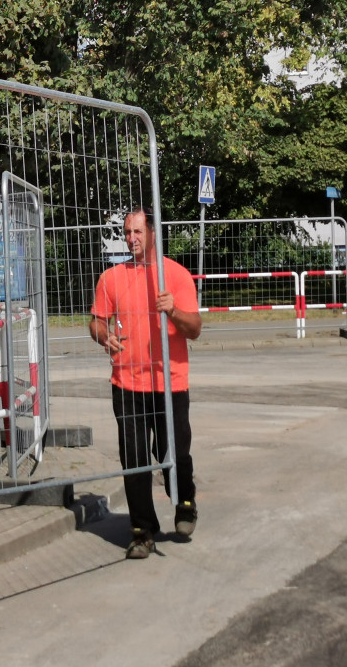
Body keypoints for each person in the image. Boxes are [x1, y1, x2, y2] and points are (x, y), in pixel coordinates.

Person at [89, 208, 202, 560]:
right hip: (126, 382)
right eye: (127, 232)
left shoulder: (177, 276)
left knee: (174, 451)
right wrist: (104, 335)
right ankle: (142, 530)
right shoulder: (111, 278)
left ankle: (184, 503)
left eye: (137, 231)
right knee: (135, 459)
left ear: (152, 233)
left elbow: (194, 329)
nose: (131, 239)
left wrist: (173, 311)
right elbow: (95, 322)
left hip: (169, 383)